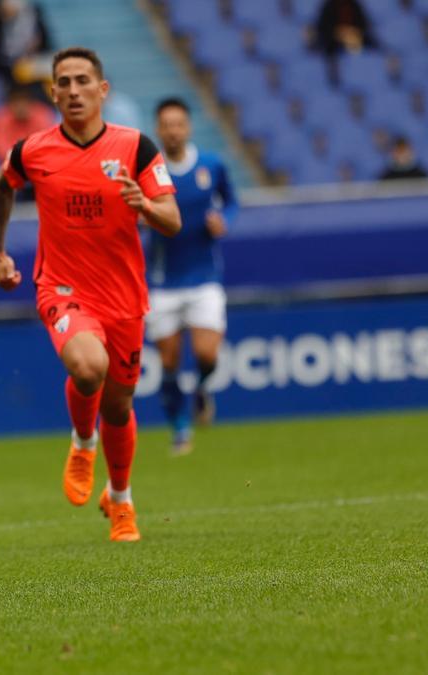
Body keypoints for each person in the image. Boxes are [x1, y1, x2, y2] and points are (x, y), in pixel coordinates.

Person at [0, 47, 180, 542]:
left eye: (82, 81)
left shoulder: (135, 147)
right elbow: (2, 187)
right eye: (64, 83)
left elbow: (173, 220)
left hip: (124, 297)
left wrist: (146, 207)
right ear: (53, 93)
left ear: (102, 90)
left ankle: (120, 500)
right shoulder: (34, 149)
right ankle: (82, 441)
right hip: (63, 288)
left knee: (119, 405)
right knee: (88, 367)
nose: (73, 90)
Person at [147, 98, 237, 455]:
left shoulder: (211, 166)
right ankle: (180, 429)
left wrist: (224, 220)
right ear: (158, 129)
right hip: (163, 281)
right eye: (166, 124)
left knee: (206, 353)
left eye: (178, 124)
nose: (172, 131)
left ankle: (201, 387)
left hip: (204, 278)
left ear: (188, 127)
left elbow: (231, 201)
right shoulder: (148, 169)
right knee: (168, 362)